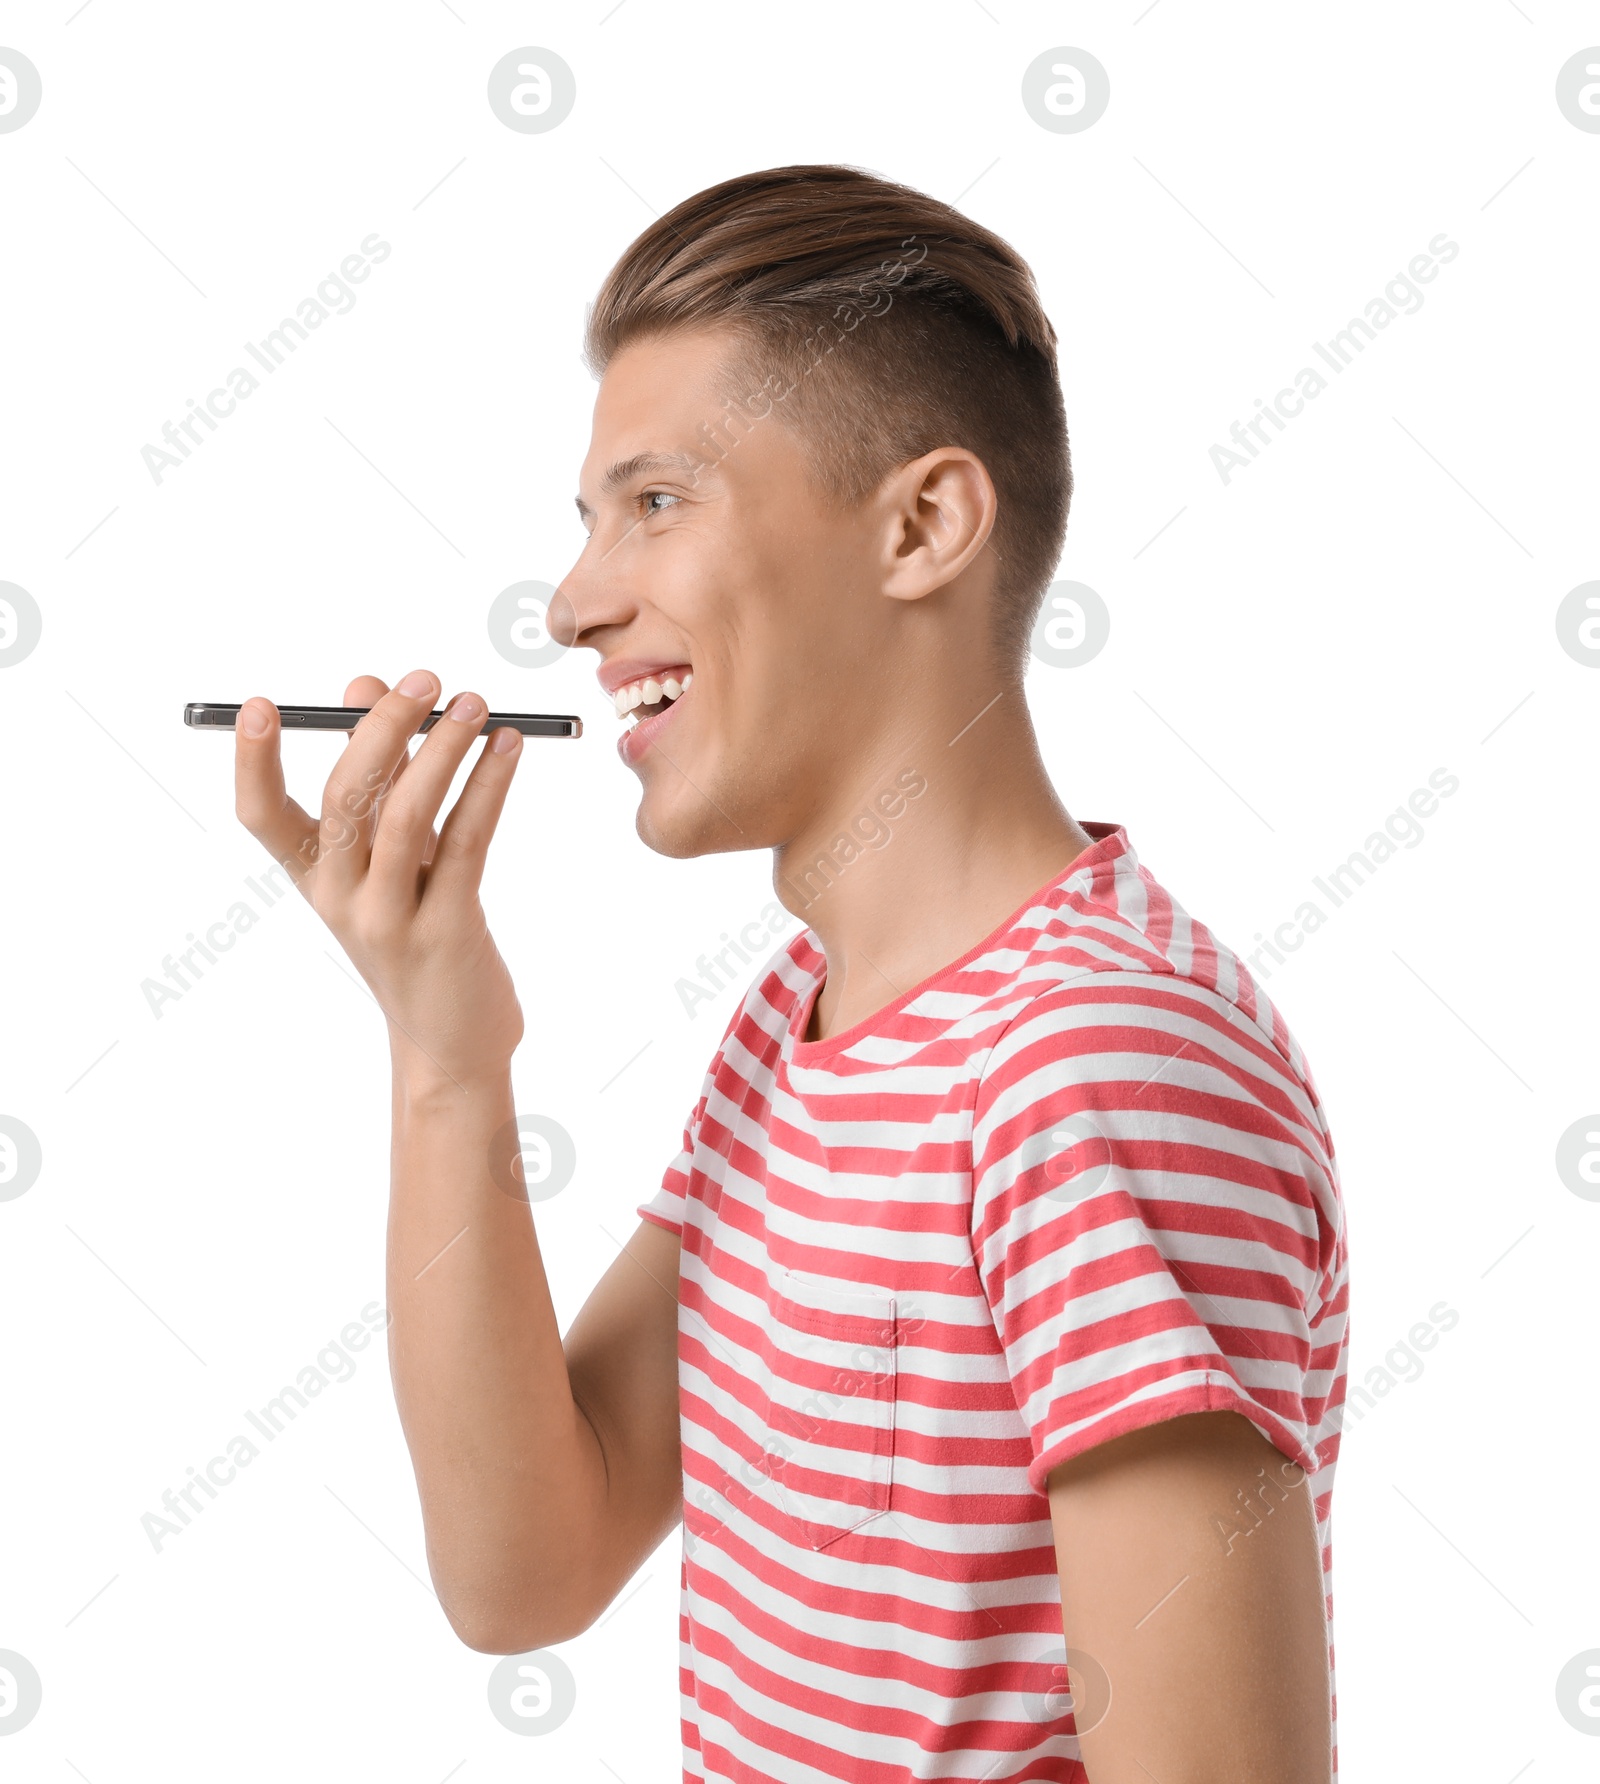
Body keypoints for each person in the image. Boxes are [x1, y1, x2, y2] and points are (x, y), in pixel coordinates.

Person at [234, 164, 1349, 1784]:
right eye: (590, 520)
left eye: (658, 503)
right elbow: (527, 1566)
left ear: (922, 526)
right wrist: (443, 1051)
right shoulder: (806, 1023)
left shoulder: (1094, 1060)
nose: (572, 604)